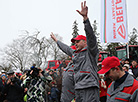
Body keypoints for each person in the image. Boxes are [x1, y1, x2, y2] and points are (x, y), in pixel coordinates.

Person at [50, 1, 99, 101]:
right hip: (78, 88)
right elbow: (66, 48)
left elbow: (91, 36)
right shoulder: (75, 54)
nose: (75, 44)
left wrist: (85, 19)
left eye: (77, 41)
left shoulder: (91, 52)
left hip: (89, 87)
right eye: (74, 42)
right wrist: (57, 41)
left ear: (85, 42)